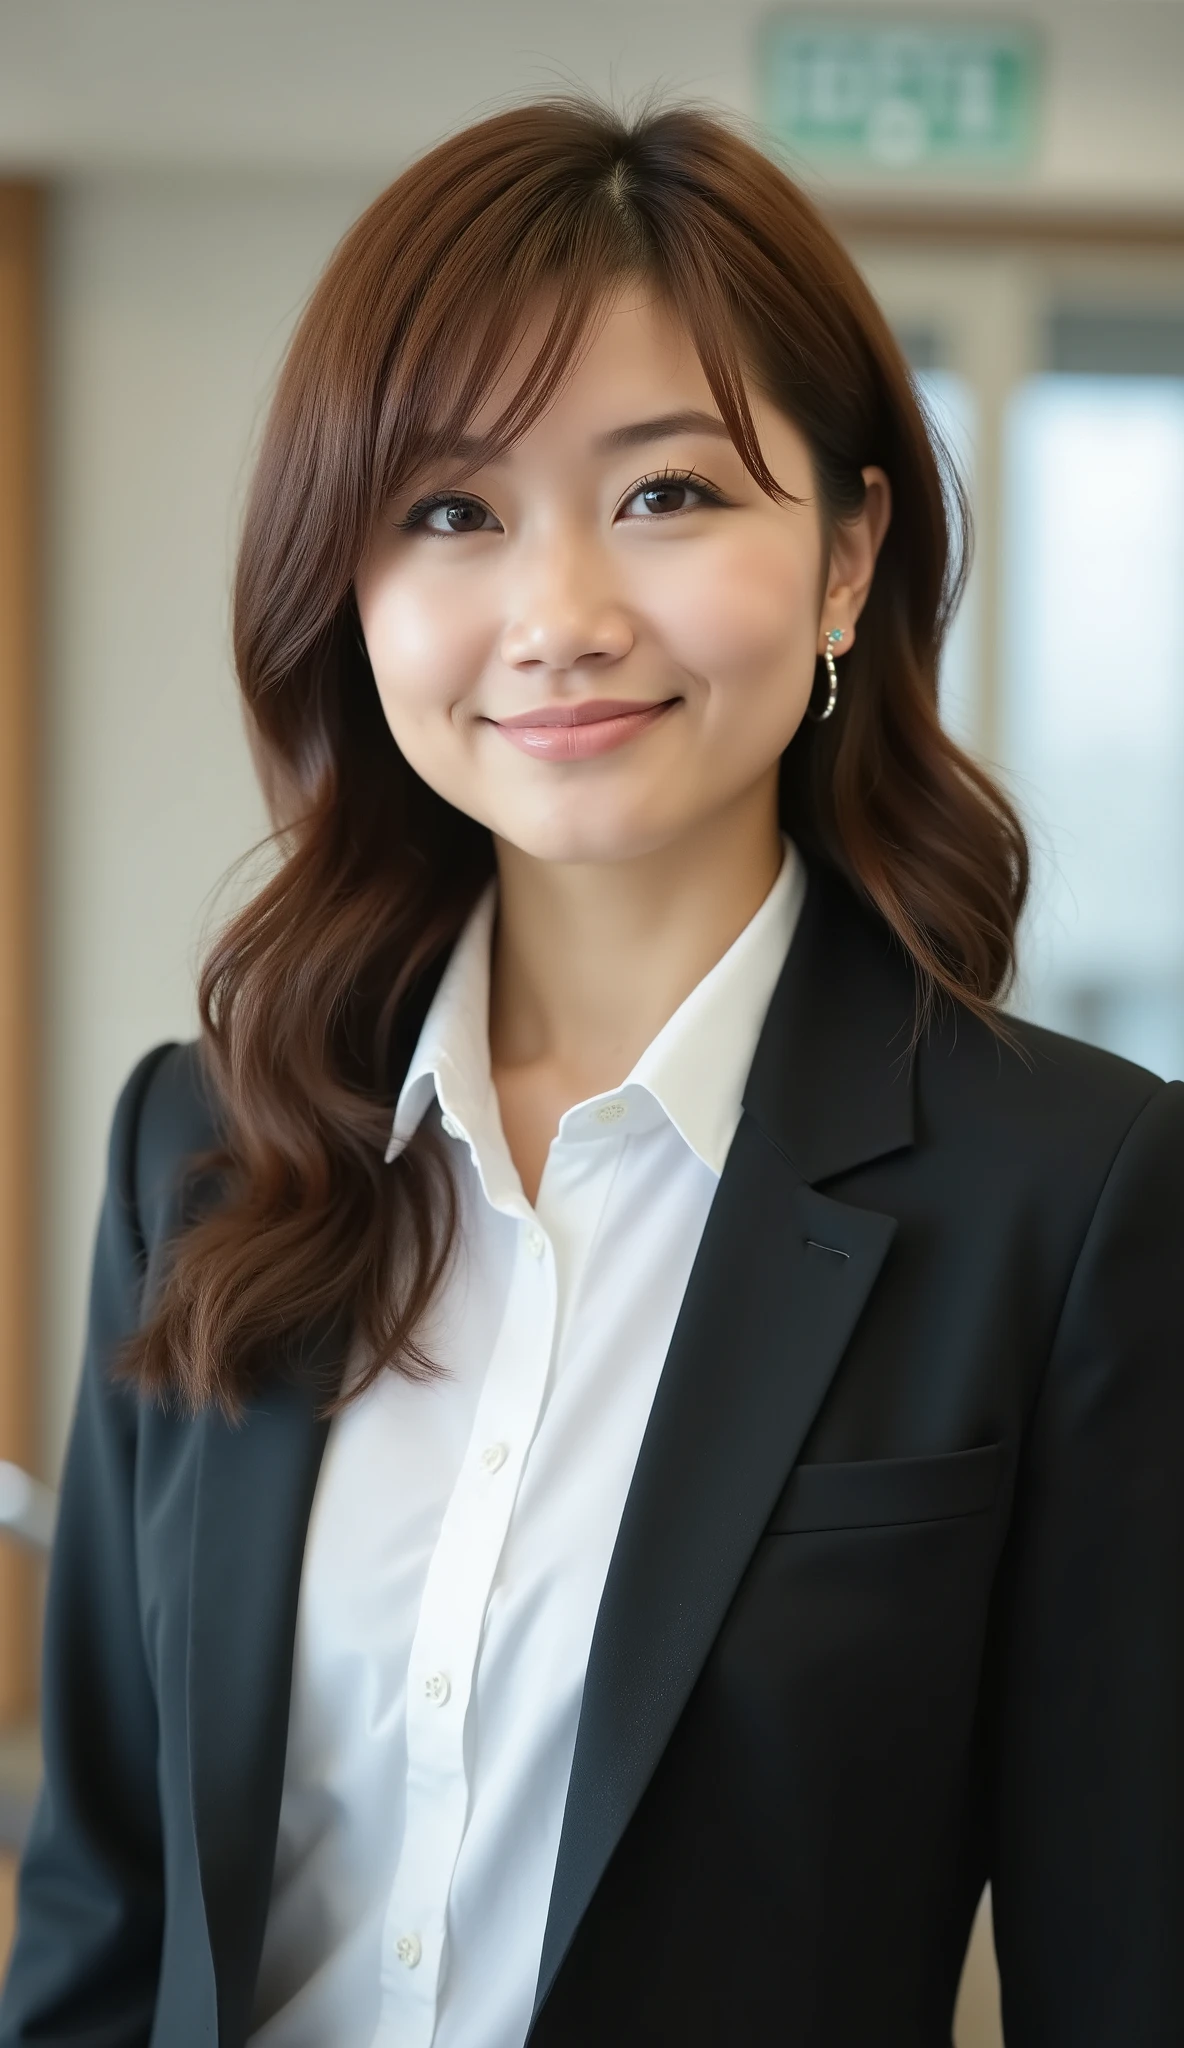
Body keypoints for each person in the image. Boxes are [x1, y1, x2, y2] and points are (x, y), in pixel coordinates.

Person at [1, 94, 1180, 2048]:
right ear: (355, 586)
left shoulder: (1063, 1197)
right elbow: (104, 1912)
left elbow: (1123, 1975)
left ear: (845, 552)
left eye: (667, 495)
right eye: (452, 512)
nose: (559, 618)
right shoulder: (202, 1144)